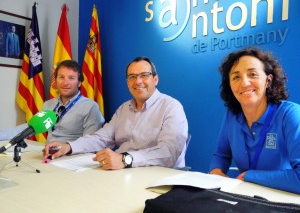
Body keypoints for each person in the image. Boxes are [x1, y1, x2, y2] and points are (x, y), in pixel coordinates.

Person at [44, 56, 188, 170]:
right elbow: (101, 138)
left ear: (155, 79)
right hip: (122, 173)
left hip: (156, 177)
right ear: (127, 82)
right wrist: (69, 147)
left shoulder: (171, 107)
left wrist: (125, 159)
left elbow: (168, 153)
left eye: (144, 75)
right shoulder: (123, 109)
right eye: (132, 77)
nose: (138, 81)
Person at [209, 47, 300, 194]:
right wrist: (216, 172)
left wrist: (250, 176)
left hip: (282, 200)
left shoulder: (290, 114)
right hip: (247, 198)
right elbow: (221, 154)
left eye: (253, 74)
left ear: (268, 81)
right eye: (236, 77)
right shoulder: (231, 115)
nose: (244, 83)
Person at [0, 60, 105, 142]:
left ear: (79, 83)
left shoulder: (90, 107)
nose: (65, 82)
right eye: (61, 77)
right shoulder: (48, 105)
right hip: (48, 155)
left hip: (73, 159)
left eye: (71, 78)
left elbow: (91, 143)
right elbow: (29, 128)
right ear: (56, 80)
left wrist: (66, 148)